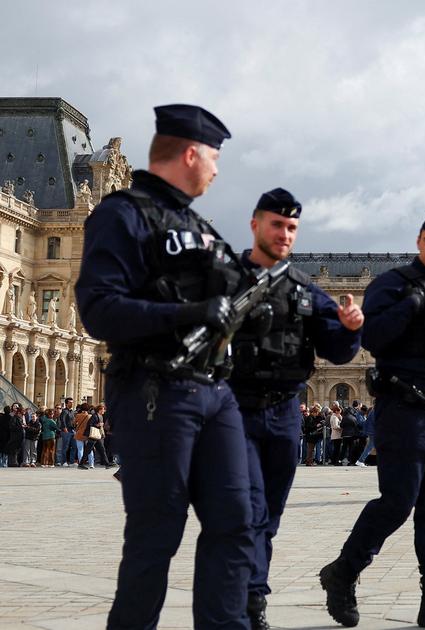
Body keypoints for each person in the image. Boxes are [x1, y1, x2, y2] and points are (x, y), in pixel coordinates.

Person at [74, 104, 258, 628]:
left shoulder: (199, 226)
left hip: (215, 391)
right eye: (214, 158)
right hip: (156, 388)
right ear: (191, 155)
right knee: (156, 533)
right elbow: (98, 310)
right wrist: (187, 314)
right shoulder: (122, 215)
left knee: (236, 522)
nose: (217, 170)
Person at [319, 206, 425, 629]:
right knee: (397, 502)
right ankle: (344, 571)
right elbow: (372, 338)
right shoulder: (391, 285)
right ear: (419, 242)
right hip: (404, 408)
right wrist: (412, 307)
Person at [226, 188, 364, 628]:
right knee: (246, 511)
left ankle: (252, 598)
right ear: (255, 224)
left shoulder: (306, 291)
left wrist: (349, 329)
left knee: (268, 513)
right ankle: (247, 601)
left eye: (291, 227)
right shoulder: (225, 279)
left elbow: (337, 352)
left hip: (286, 412)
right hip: (236, 410)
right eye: (277, 224)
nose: (284, 234)